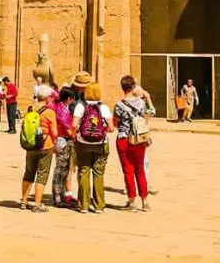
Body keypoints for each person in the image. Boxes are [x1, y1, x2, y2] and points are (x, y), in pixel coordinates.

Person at [72, 82, 114, 214]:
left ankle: (84, 205)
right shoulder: (103, 107)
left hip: (83, 143)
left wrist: (79, 133)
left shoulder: (80, 106)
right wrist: (101, 130)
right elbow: (112, 128)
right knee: (98, 174)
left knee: (84, 172)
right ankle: (99, 206)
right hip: (100, 144)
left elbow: (74, 124)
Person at [113, 75, 150, 212]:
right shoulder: (141, 102)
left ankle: (131, 201)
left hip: (124, 138)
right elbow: (147, 115)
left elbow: (116, 122)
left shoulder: (119, 104)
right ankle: (145, 201)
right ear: (134, 86)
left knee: (128, 171)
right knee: (140, 170)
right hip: (139, 138)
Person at [21, 86, 58, 212]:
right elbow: (54, 132)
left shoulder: (30, 109)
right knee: (42, 174)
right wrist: (55, 144)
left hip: (30, 145)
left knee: (29, 173)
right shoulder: (50, 112)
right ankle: (37, 203)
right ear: (48, 98)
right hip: (45, 145)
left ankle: (24, 201)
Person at [52, 88, 78, 208]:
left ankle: (59, 196)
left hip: (59, 141)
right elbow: (69, 130)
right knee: (61, 171)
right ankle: (58, 198)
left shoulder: (57, 106)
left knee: (61, 170)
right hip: (63, 142)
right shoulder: (62, 110)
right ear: (68, 99)